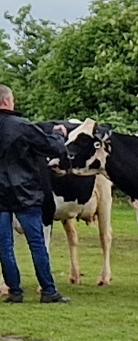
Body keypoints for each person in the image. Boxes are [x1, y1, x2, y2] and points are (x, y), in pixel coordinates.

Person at [0, 85, 70, 303]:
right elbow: (51, 147)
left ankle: (15, 290)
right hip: (25, 192)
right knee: (37, 243)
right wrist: (58, 135)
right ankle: (48, 290)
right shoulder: (22, 126)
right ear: (6, 102)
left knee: (4, 245)